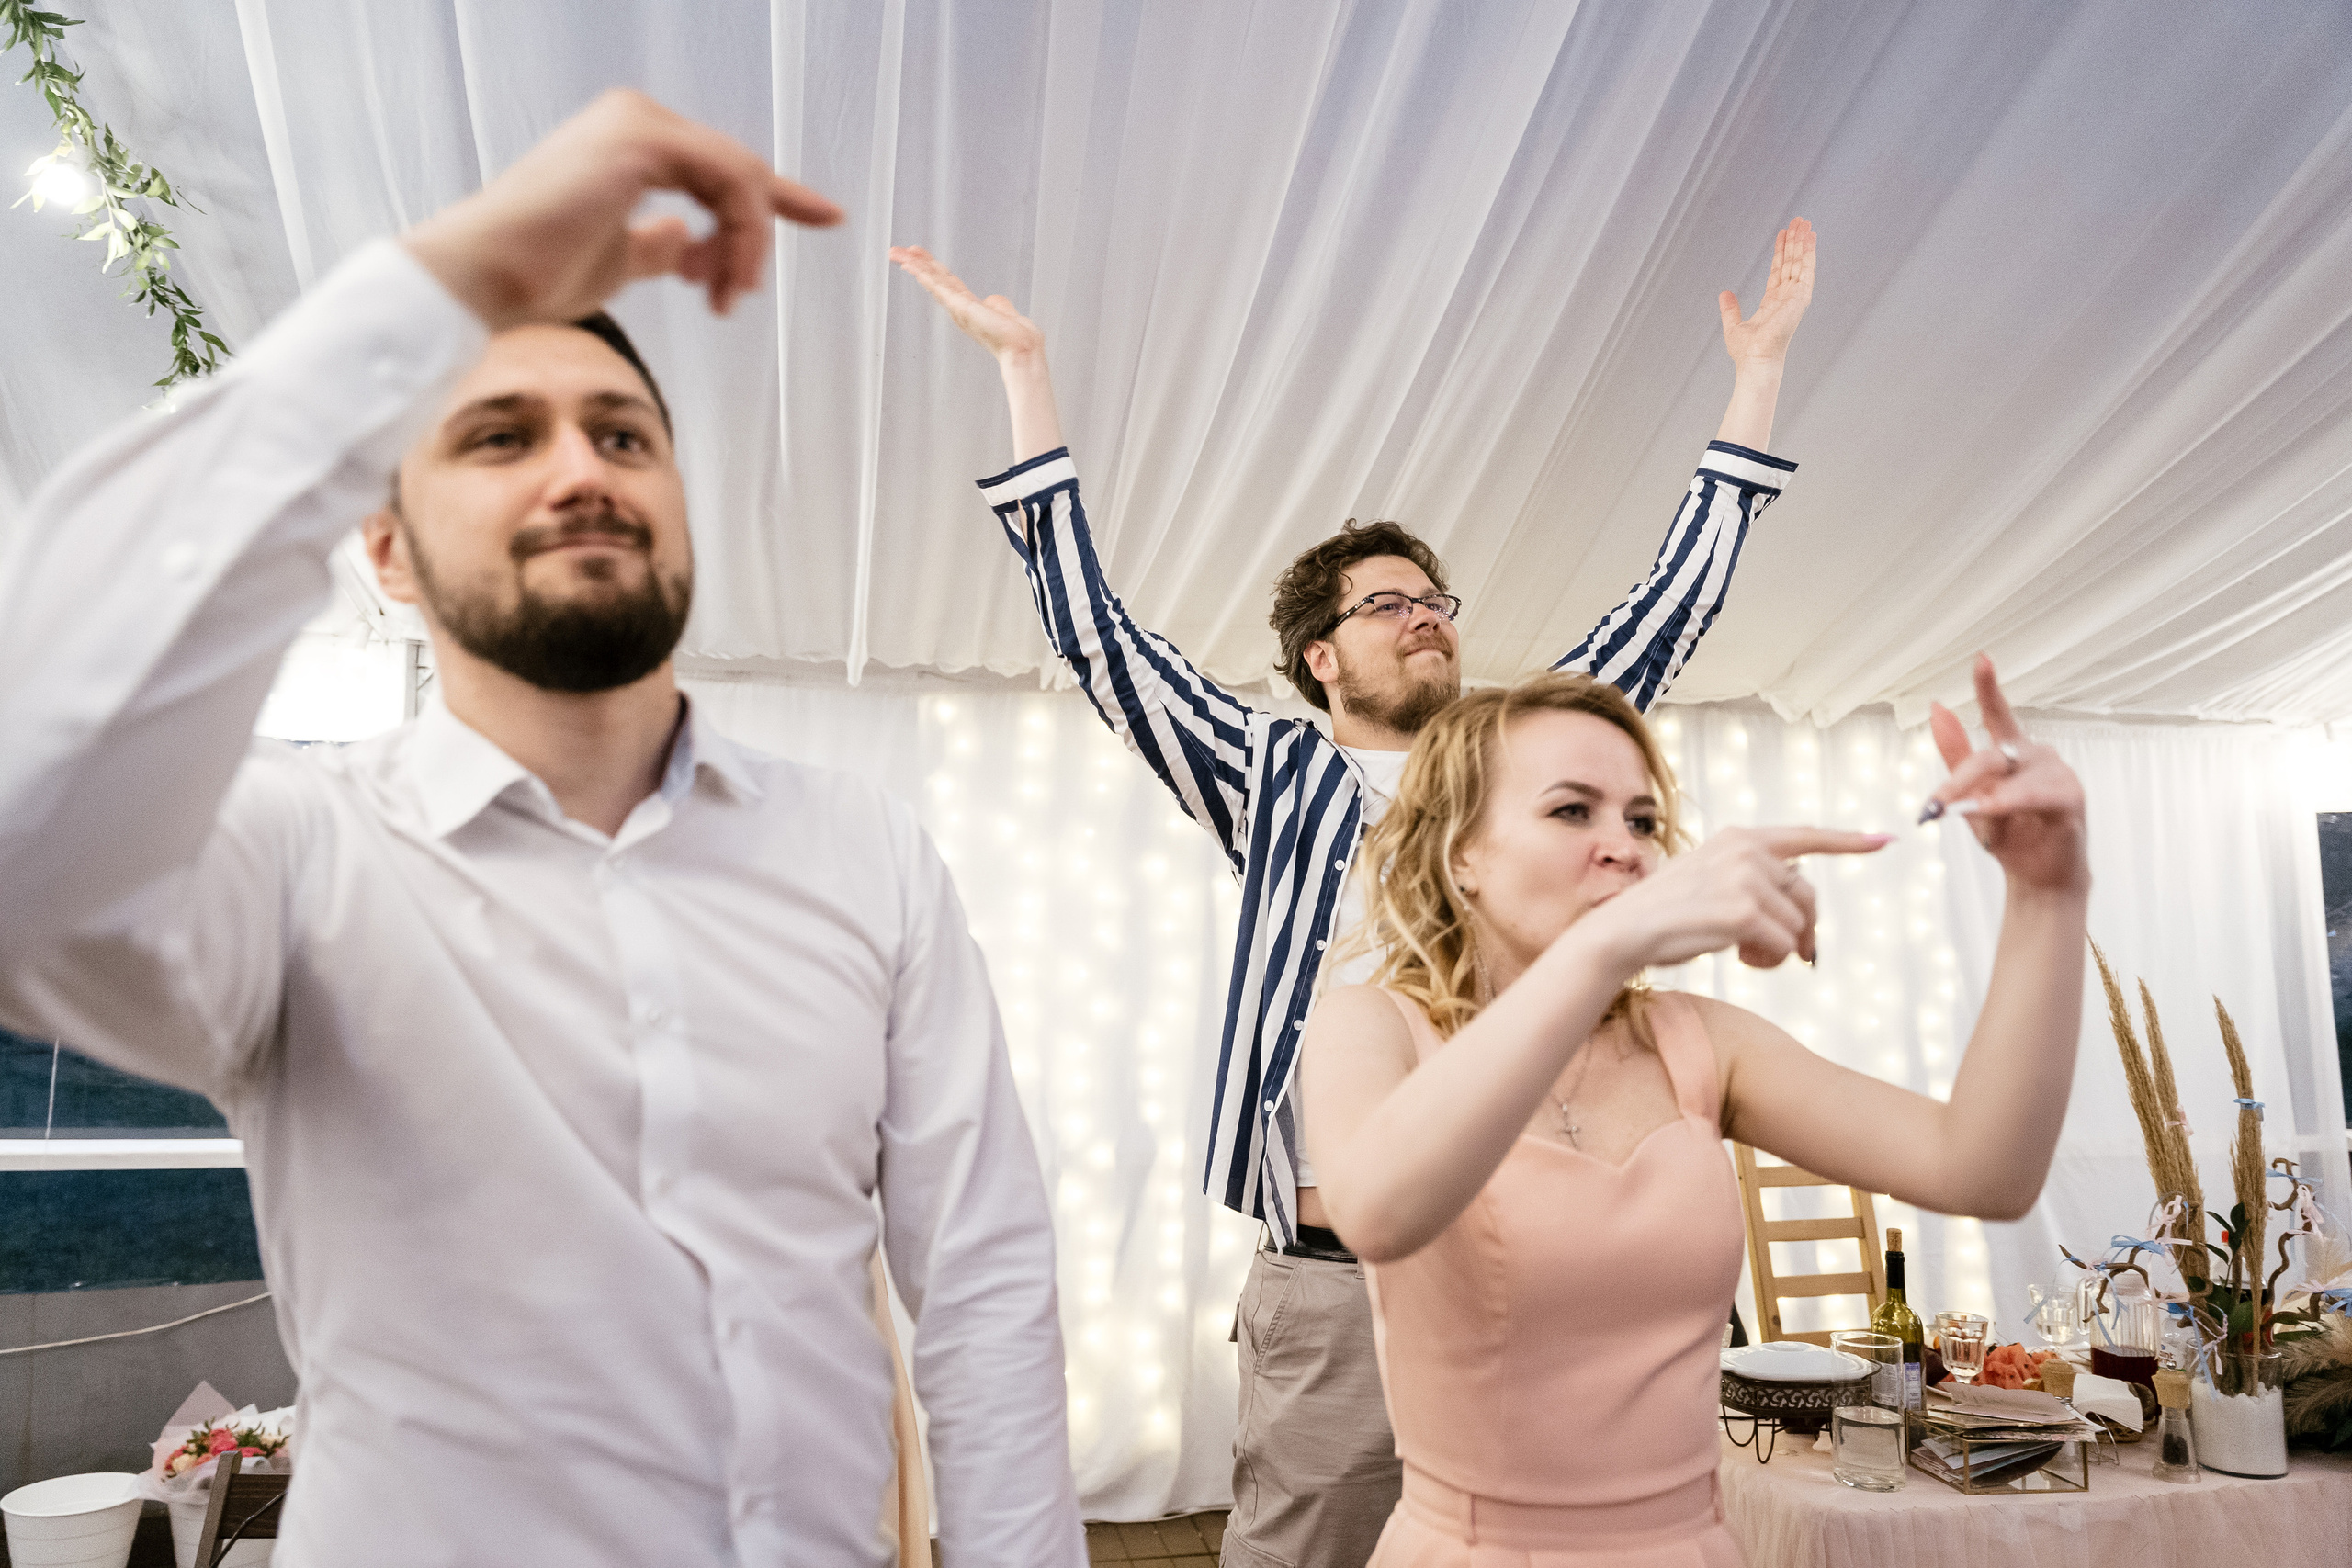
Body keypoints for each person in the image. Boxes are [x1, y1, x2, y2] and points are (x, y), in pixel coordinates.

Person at [0, 92, 1084, 1568]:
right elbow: (30, 836)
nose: (582, 467)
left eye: (625, 435)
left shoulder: (863, 845)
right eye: (499, 434)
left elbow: (982, 1276)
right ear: (382, 547)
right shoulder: (290, 849)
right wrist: (439, 284)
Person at [892, 220, 1815, 1567]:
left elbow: (1663, 614)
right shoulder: (1268, 768)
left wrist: (1757, 385)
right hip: (1335, 1274)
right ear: (1320, 654)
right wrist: (1028, 376)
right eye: (1388, 603)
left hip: (1543, 1256)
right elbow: (1098, 633)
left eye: (1435, 597)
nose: (1426, 613)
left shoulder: (1519, 764)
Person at [1301, 657, 2087, 1566]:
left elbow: (1982, 1169)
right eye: (1571, 810)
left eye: (1640, 820)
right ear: (1460, 853)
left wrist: (2047, 893)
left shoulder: (1700, 1041)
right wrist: (1605, 944)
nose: (1624, 845)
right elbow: (1375, 1210)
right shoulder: (1368, 1023)